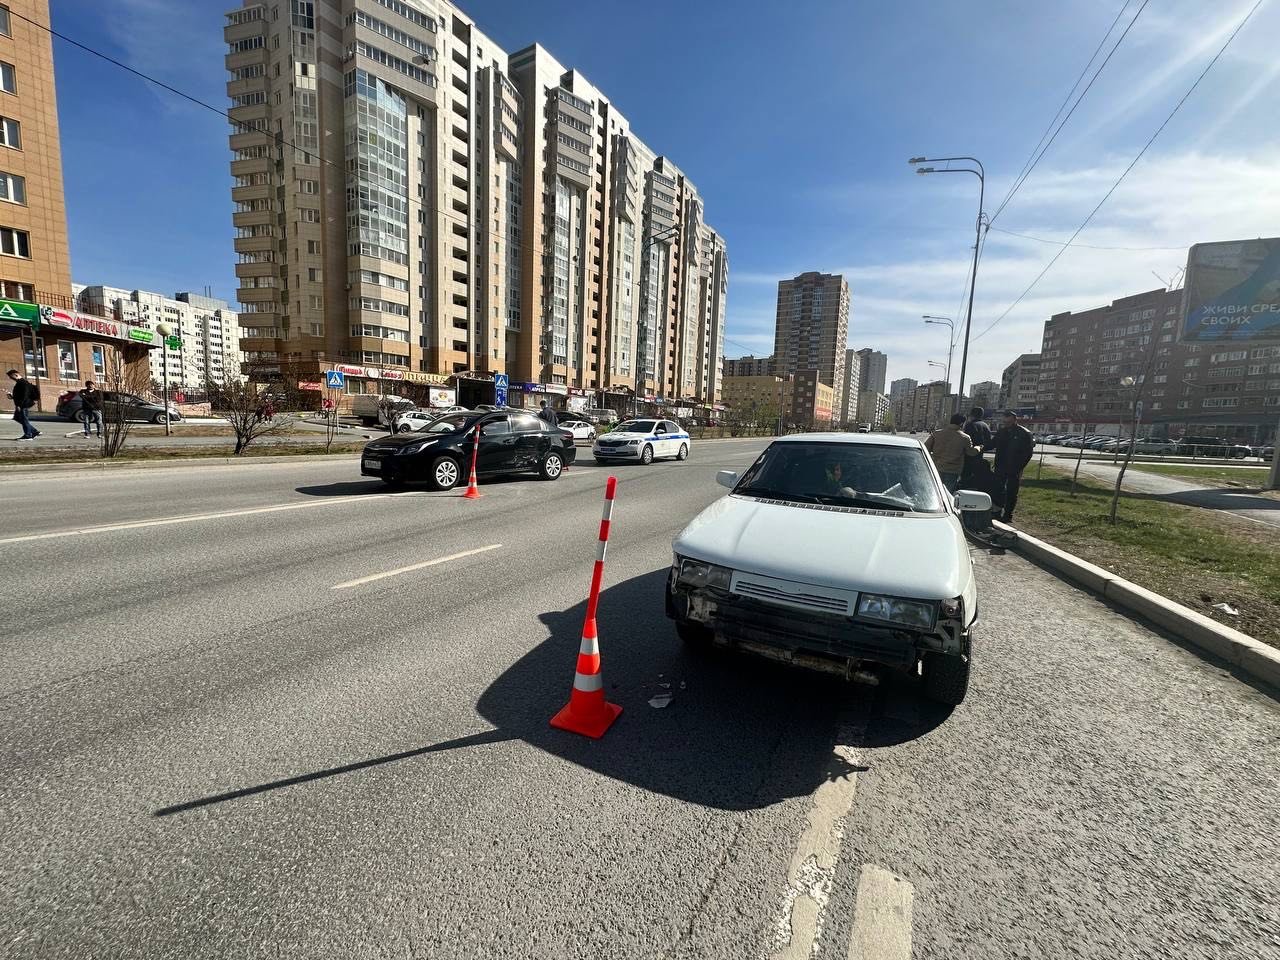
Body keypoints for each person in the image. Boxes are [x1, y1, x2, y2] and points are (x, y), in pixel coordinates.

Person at [990, 409, 1035, 524]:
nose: (1006, 424)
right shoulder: (1002, 432)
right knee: (997, 490)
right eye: (1005, 422)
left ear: (1015, 420)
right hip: (1000, 467)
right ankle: (996, 512)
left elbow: (1028, 453)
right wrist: (979, 447)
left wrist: (1019, 467)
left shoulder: (1024, 433)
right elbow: (992, 443)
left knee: (1011, 492)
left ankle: (1008, 514)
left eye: (1009, 422)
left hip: (1014, 468)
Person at [924, 413, 979, 491]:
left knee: (934, 491)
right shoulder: (965, 437)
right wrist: (978, 448)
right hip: (952, 470)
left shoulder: (937, 433)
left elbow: (926, 448)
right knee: (947, 494)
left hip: (936, 467)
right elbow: (971, 452)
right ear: (961, 423)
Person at [5, 369, 40, 440]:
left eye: (11, 376)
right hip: (22, 404)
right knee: (17, 418)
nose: (10, 378)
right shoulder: (20, 383)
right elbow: (20, 395)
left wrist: (19, 405)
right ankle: (34, 431)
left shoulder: (23, 383)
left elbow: (24, 395)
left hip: (23, 404)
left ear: (16, 374)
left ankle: (28, 435)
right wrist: (12, 396)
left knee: (24, 419)